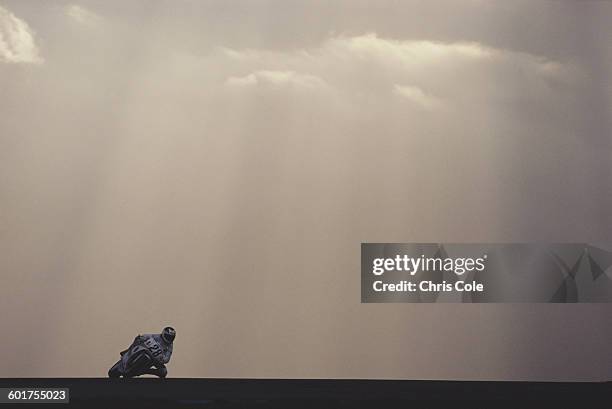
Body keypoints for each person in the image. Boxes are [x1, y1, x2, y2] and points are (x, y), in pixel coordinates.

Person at [108, 326, 176, 378]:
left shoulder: (169, 346)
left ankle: (142, 371)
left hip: (154, 359)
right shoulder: (155, 336)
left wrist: (161, 358)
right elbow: (144, 336)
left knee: (163, 372)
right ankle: (127, 354)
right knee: (135, 346)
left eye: (171, 337)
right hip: (144, 350)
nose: (169, 339)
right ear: (163, 333)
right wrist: (139, 338)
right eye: (168, 336)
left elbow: (167, 359)